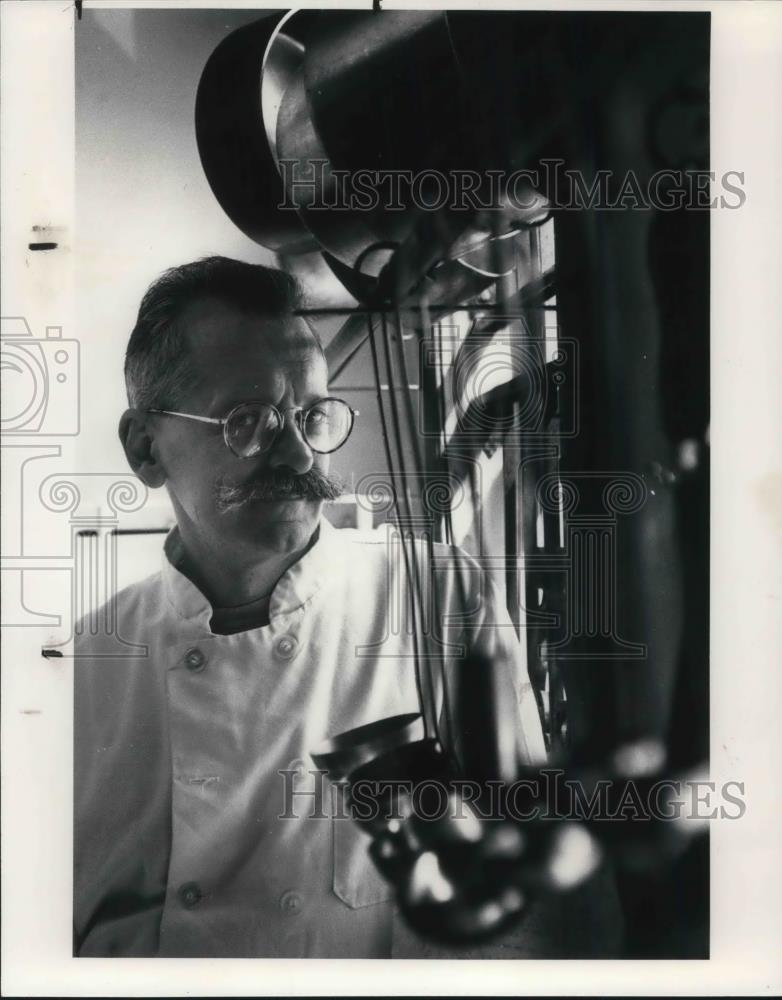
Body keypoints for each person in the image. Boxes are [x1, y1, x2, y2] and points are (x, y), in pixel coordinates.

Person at [73, 256, 616, 958]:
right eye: (249, 422)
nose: (301, 457)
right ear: (145, 448)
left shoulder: (441, 597)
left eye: (311, 415)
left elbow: (523, 907)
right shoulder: (82, 669)